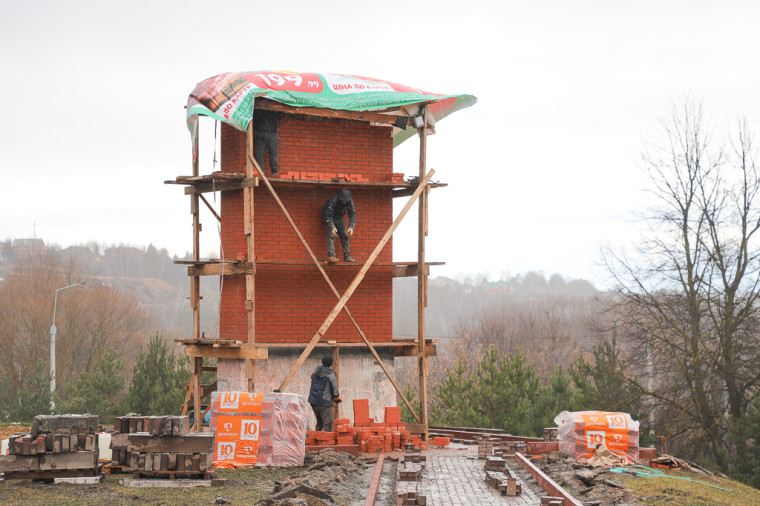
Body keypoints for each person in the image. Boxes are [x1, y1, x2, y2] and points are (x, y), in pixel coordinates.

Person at [308, 355, 342, 431]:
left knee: (319, 423)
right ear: (331, 363)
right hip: (324, 402)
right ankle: (324, 442)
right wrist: (336, 396)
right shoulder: (331, 375)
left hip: (313, 401)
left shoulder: (315, 372)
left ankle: (316, 441)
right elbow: (335, 389)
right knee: (327, 424)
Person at [323, 189, 356, 263]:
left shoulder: (349, 201)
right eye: (343, 200)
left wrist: (351, 227)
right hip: (330, 218)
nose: (344, 202)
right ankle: (331, 256)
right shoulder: (333, 200)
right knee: (331, 236)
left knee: (345, 236)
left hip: (339, 218)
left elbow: (352, 214)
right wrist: (332, 227)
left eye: (345, 201)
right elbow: (327, 215)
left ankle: (347, 256)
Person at [253, 108, 284, 176]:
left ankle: (260, 172)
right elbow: (281, 115)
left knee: (260, 154)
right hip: (269, 132)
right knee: (272, 154)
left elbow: (281, 115)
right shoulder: (273, 103)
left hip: (261, 132)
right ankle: (273, 172)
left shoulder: (258, 104)